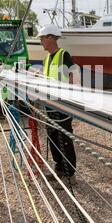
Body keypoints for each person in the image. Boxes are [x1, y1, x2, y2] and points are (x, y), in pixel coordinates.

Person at [38, 24, 80, 187]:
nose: (41, 41)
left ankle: (70, 175)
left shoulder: (64, 55)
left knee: (64, 137)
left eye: (42, 38)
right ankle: (60, 169)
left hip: (62, 105)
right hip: (50, 104)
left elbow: (73, 77)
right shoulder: (47, 58)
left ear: (50, 38)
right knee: (52, 135)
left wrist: (69, 98)